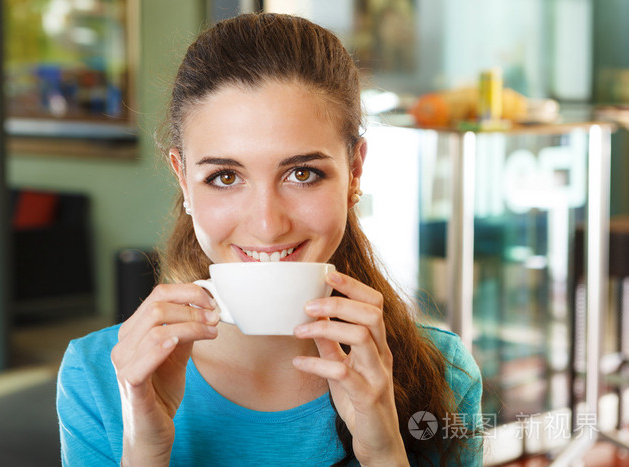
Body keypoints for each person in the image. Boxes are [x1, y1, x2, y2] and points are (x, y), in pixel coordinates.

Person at [57, 12, 483, 466]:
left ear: (354, 171)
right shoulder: (101, 375)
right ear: (183, 180)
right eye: (224, 176)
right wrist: (145, 449)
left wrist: (383, 450)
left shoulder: (444, 373)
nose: (266, 224)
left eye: (303, 174)